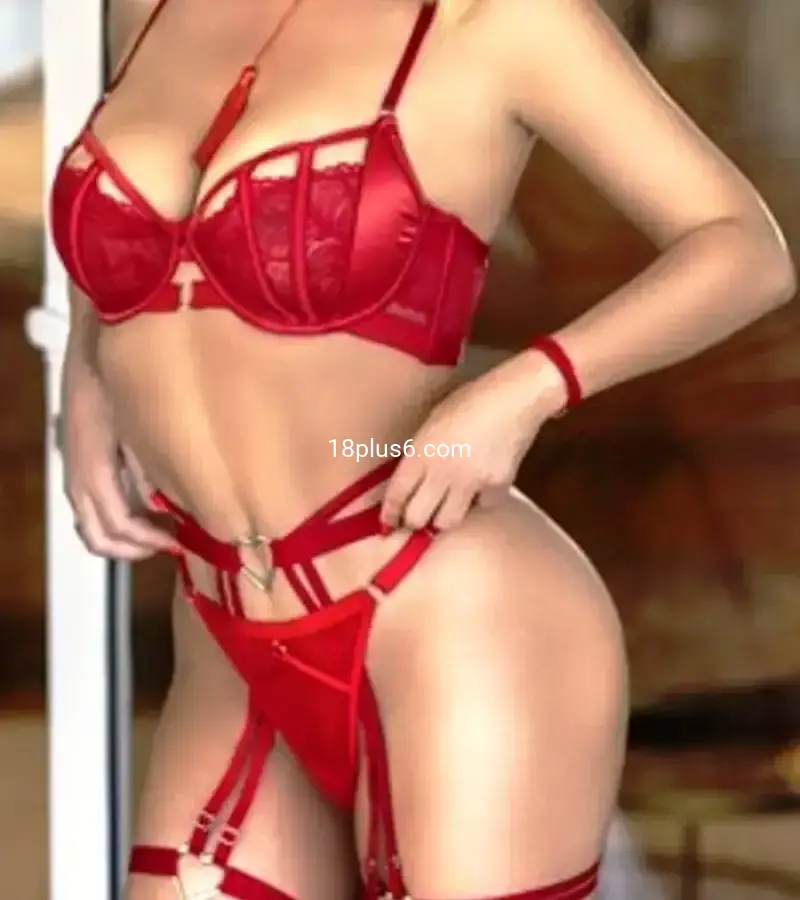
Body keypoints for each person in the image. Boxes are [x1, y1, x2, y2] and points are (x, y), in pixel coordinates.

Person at [52, 0, 795, 898]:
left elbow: (743, 248)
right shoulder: (152, 8)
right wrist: (85, 384)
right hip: (225, 619)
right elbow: (137, 238)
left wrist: (526, 389)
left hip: (443, 608)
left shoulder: (499, 20)